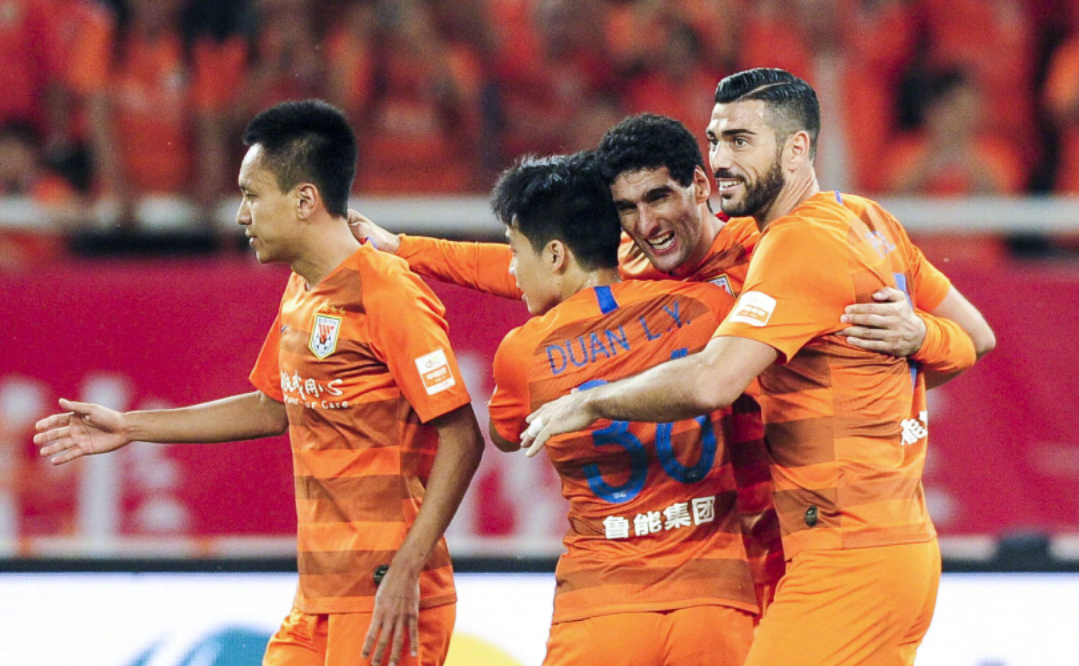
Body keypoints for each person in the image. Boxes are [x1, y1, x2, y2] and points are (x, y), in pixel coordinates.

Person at [350, 112, 983, 612]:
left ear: (701, 187)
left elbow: (972, 339)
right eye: (627, 209)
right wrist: (402, 247)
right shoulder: (637, 261)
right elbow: (533, 266)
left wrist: (920, 334)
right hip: (729, 544)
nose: (646, 224)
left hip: (810, 525)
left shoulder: (773, 252)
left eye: (659, 198)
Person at [521, 68, 995, 666]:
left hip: (845, 559)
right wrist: (924, 336)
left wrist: (591, 400)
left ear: (797, 149)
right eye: (715, 140)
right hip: (891, 549)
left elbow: (712, 380)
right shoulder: (865, 217)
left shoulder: (795, 245)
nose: (721, 160)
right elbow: (977, 336)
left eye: (741, 141)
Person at [34, 100, 484, 666]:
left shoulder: (389, 293)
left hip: (385, 592)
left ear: (304, 200)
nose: (242, 215)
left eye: (252, 195)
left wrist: (406, 568)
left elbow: (463, 437)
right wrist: (130, 426)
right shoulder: (301, 289)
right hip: (319, 594)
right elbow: (274, 407)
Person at [487, 151, 757, 665]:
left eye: (515, 251)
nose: (511, 269)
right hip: (716, 603)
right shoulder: (709, 311)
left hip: (601, 610)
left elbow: (506, 435)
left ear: (555, 256)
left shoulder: (522, 353)